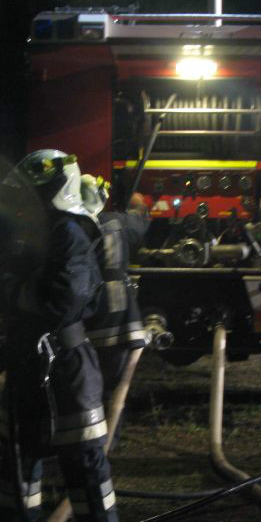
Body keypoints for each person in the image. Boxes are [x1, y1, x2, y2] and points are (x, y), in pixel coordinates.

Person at [0, 149, 118, 522]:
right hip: (29, 359)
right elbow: (21, 286)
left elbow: (64, 300)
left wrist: (5, 291)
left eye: (34, 192)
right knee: (19, 457)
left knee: (83, 461)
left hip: (65, 365)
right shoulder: (38, 231)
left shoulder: (70, 232)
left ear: (56, 190)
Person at [80, 174, 151, 439]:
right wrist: (138, 205)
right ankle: (110, 436)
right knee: (115, 383)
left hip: (88, 312)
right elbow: (141, 223)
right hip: (121, 314)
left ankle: (95, 439)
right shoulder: (117, 221)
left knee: (90, 382)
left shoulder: (72, 225)